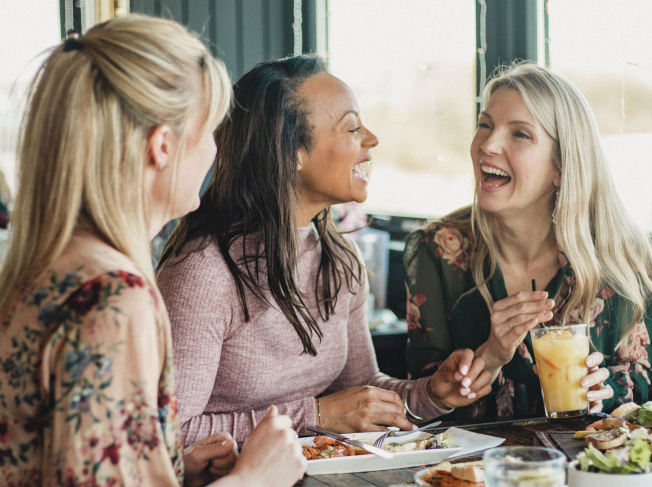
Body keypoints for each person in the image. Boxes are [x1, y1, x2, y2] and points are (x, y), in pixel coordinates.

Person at [0, 16, 307, 487]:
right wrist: (249, 485)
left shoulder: (42, 268)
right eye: (211, 132)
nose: (217, 152)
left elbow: (58, 474)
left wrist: (163, 466)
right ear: (163, 145)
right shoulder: (114, 296)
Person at [156, 55, 491, 447]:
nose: (372, 139)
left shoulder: (340, 259)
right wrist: (314, 415)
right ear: (292, 151)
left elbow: (361, 393)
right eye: (352, 127)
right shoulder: (204, 273)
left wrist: (432, 395)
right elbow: (167, 434)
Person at [404, 62, 652, 424]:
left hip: (583, 469)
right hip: (469, 474)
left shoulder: (618, 254)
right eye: (485, 125)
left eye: (520, 134)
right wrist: (492, 354)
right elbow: (422, 399)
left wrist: (605, 387)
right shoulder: (437, 249)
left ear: (561, 167)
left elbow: (639, 376)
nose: (487, 144)